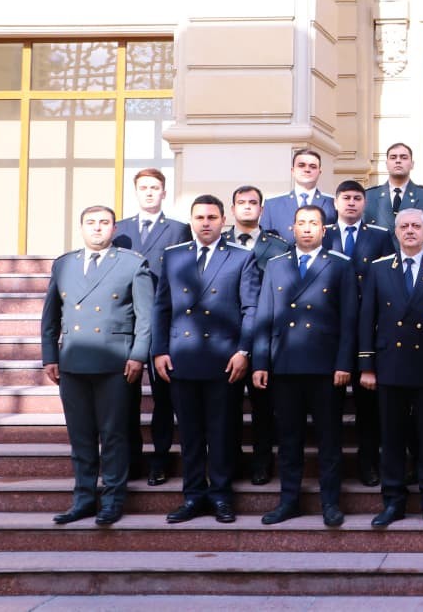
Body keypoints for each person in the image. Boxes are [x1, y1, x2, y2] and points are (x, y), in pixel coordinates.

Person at [41, 205, 153, 527]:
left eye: (104, 223)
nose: (97, 228)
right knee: (81, 436)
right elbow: (51, 316)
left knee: (114, 434)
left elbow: (145, 318)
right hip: (73, 361)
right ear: (81, 228)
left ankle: (113, 500)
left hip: (115, 362)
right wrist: (50, 355)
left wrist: (138, 355)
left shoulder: (132, 264)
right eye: (90, 223)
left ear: (114, 229)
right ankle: (84, 499)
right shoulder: (64, 265)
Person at [152, 195, 259, 525]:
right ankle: (193, 495)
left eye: (212, 217)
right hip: (182, 357)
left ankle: (222, 496)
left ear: (223, 220)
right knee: (191, 433)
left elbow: (250, 309)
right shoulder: (172, 257)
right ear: (192, 221)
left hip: (224, 360)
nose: (206, 223)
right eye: (199, 217)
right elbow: (161, 307)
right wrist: (159, 350)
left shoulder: (242, 257)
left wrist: (244, 351)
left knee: (223, 432)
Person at [251, 205, 357, 527]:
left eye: (314, 223)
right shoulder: (276, 265)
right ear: (292, 229)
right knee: (289, 439)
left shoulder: (339, 265)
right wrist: (260, 361)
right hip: (285, 364)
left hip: (326, 367)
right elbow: (264, 316)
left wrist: (344, 362)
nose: (308, 228)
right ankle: (289, 500)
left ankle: (330, 503)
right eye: (302, 223)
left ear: (324, 230)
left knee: (329, 439)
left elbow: (349, 319)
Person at [359, 209, 423, 530]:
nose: (410, 231)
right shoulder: (378, 269)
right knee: (391, 437)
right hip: (389, 366)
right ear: (395, 232)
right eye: (404, 226)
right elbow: (366, 319)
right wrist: (366, 365)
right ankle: (393, 502)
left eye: (416, 226)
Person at [112, 167, 190, 486]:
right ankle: (131, 460)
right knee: (125, 397)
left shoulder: (179, 230)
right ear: (136, 191)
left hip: (161, 321)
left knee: (164, 397)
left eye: (154, 187)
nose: (148, 192)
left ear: (163, 192)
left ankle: (160, 460)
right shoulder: (120, 230)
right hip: (125, 321)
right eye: (143, 187)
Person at [324, 179, 396, 486]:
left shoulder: (379, 236)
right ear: (336, 203)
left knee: (370, 410)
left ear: (365, 203)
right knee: (330, 409)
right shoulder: (321, 234)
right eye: (346, 198)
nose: (351, 203)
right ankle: (334, 469)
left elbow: (389, 280)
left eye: (357, 198)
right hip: (329, 332)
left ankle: (369, 464)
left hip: (369, 332)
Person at [221, 185, 290, 486]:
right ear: (232, 209)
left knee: (263, 408)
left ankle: (262, 462)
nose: (247, 207)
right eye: (241, 203)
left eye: (253, 203)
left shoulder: (278, 246)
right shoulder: (220, 243)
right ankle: (231, 461)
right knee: (227, 408)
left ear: (262, 209)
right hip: (226, 336)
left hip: (264, 335)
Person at [259, 148, 338, 238]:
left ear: (319, 172)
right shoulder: (272, 205)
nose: (307, 170)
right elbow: (265, 243)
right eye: (301, 165)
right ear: (293, 171)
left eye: (313, 166)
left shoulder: (333, 203)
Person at [363, 142, 423, 230]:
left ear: (412, 164)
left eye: (404, 157)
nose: (398, 161)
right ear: (387, 164)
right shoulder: (369, 195)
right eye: (393, 157)